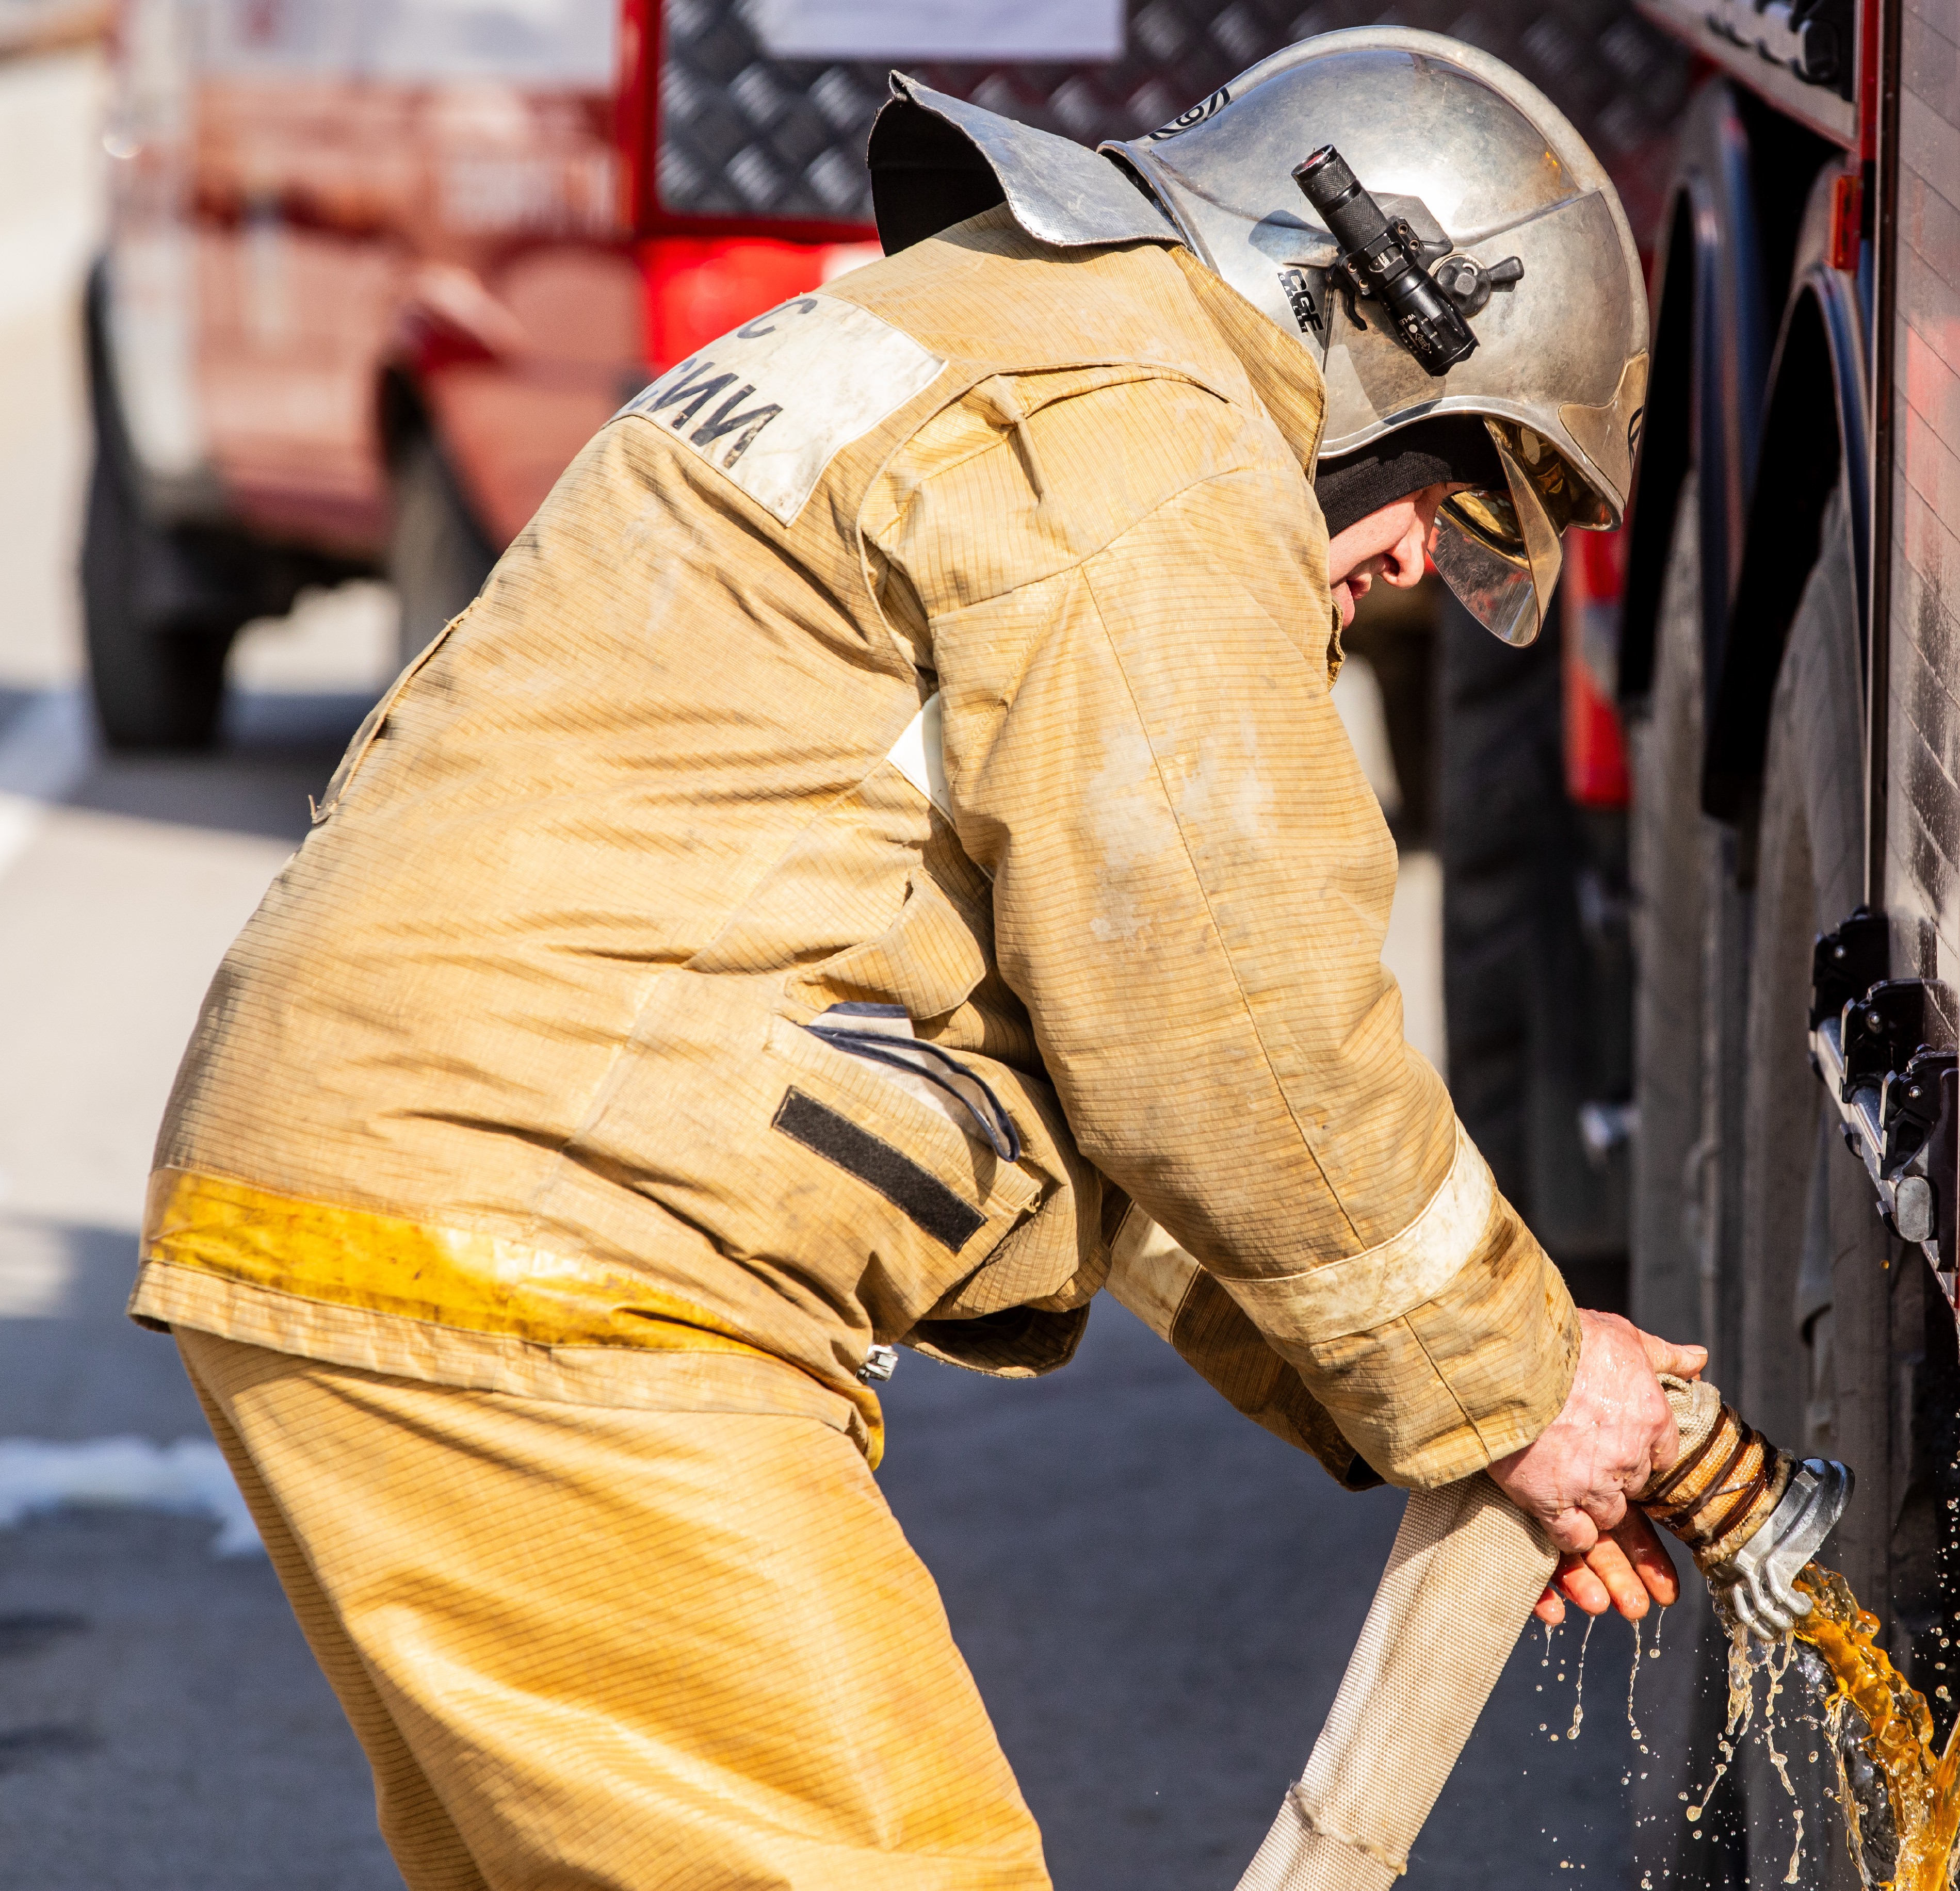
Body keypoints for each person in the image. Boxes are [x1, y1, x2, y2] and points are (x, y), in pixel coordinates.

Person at [127, 25, 1695, 1888]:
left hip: (390, 1203)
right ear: (1356, 330)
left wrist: (1470, 1399)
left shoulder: (972, 335)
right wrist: (1516, 1377)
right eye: (1446, 489)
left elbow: (1140, 1101)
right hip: (569, 1260)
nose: (1421, 564)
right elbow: (1241, 1029)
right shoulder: (1158, 440)